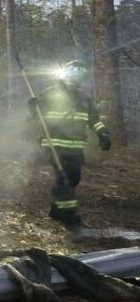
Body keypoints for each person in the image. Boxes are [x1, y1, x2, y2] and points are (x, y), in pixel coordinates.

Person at [30, 60, 111, 227]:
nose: (76, 79)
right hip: (55, 145)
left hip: (75, 147)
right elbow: (38, 116)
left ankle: (57, 211)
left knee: (74, 178)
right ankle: (69, 217)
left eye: (80, 76)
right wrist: (33, 107)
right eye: (73, 75)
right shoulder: (49, 94)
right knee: (65, 179)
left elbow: (93, 120)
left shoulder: (84, 99)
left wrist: (103, 134)